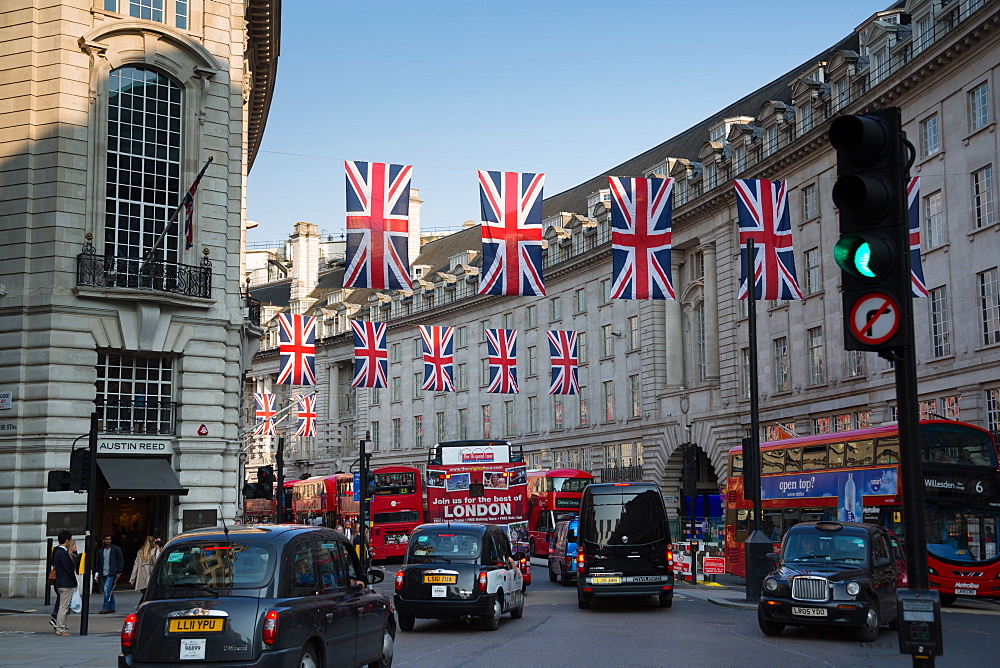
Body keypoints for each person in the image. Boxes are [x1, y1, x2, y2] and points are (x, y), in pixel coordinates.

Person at [52, 530, 78, 636]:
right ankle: (60, 629)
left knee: (63, 607)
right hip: (65, 583)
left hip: (60, 582)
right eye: (70, 539)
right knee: (63, 608)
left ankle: (60, 628)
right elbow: (69, 568)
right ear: (67, 540)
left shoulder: (57, 551)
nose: (71, 541)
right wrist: (75, 582)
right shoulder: (62, 553)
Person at [94, 533, 124, 614]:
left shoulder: (116, 549)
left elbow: (120, 561)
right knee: (109, 590)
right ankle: (112, 607)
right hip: (103, 572)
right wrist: (97, 574)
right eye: (106, 539)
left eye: (109, 539)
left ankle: (105, 607)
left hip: (112, 572)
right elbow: (98, 562)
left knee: (106, 589)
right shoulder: (100, 551)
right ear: (104, 540)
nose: (108, 541)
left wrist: (118, 572)